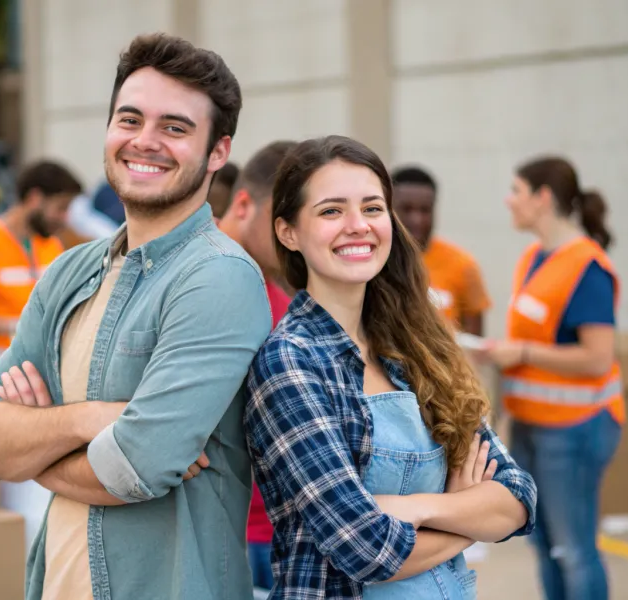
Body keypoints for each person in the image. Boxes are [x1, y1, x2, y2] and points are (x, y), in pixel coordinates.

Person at [0, 33, 271, 600]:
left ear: (217, 152)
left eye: (175, 128)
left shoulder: (217, 277)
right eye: (130, 119)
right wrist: (90, 420)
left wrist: (32, 450)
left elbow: (137, 467)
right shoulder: (69, 271)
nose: (145, 142)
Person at [245, 135, 537, 599]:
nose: (358, 226)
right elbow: (366, 549)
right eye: (331, 211)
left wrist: (413, 507)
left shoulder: (418, 348)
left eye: (373, 208)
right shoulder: (290, 362)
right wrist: (467, 515)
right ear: (288, 232)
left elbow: (519, 498)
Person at [481, 156, 622, 600]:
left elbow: (598, 359)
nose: (509, 201)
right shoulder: (533, 257)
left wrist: (520, 352)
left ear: (543, 199)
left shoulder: (586, 267)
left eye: (516, 191)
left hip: (575, 429)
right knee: (544, 545)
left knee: (574, 550)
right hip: (531, 425)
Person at [217, 139, 297, 590]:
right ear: (244, 204)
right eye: (282, 221)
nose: (294, 237)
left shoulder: (281, 302)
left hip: (275, 526)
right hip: (224, 530)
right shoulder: (192, 278)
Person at [0, 160, 82, 390]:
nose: (65, 218)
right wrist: (25, 326)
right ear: (35, 198)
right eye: (61, 207)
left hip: (37, 381)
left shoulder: (51, 245)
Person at [391, 166, 491, 335]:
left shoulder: (462, 264)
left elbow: (474, 344)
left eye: (425, 210)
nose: (417, 220)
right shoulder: (372, 262)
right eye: (406, 209)